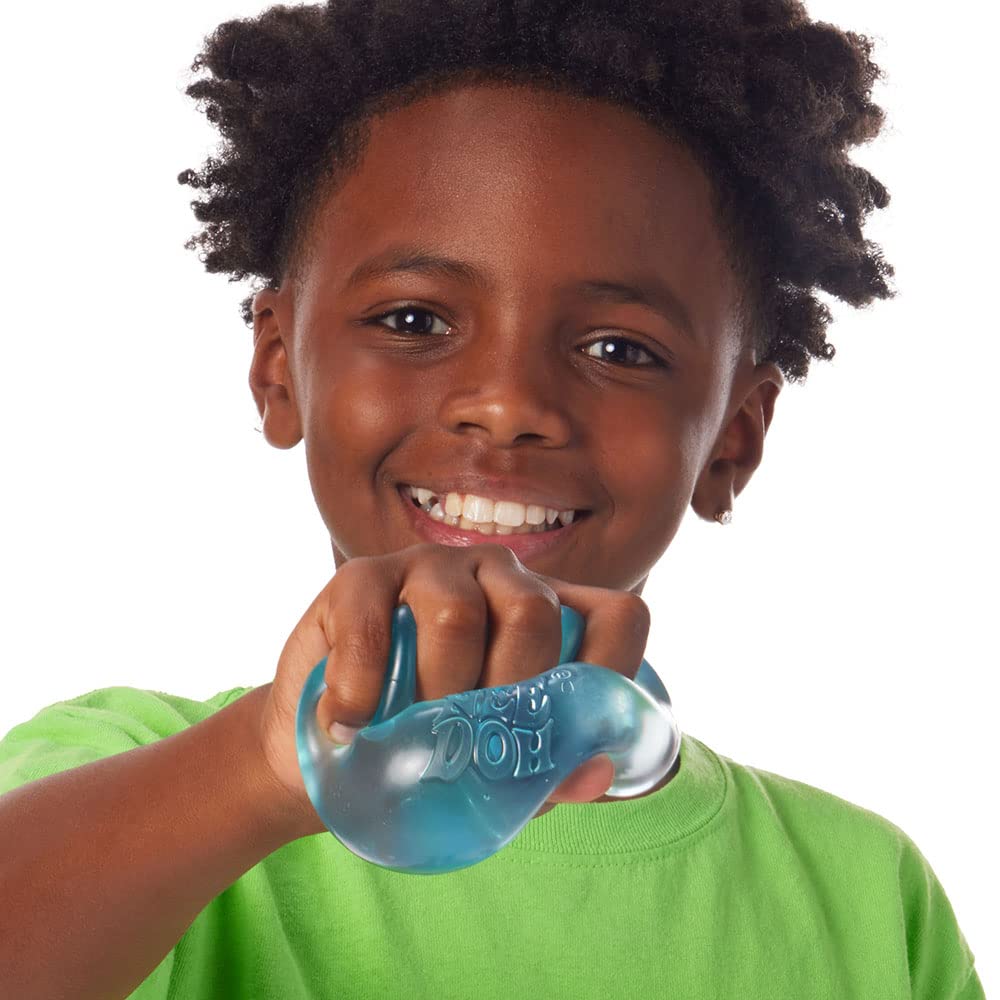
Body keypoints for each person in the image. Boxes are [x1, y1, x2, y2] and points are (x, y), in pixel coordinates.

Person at [0, 0, 986, 997]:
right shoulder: (127, 784)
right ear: (278, 368)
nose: (509, 405)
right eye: (414, 320)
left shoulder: (867, 895)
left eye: (619, 349)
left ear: (735, 435)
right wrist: (261, 767)